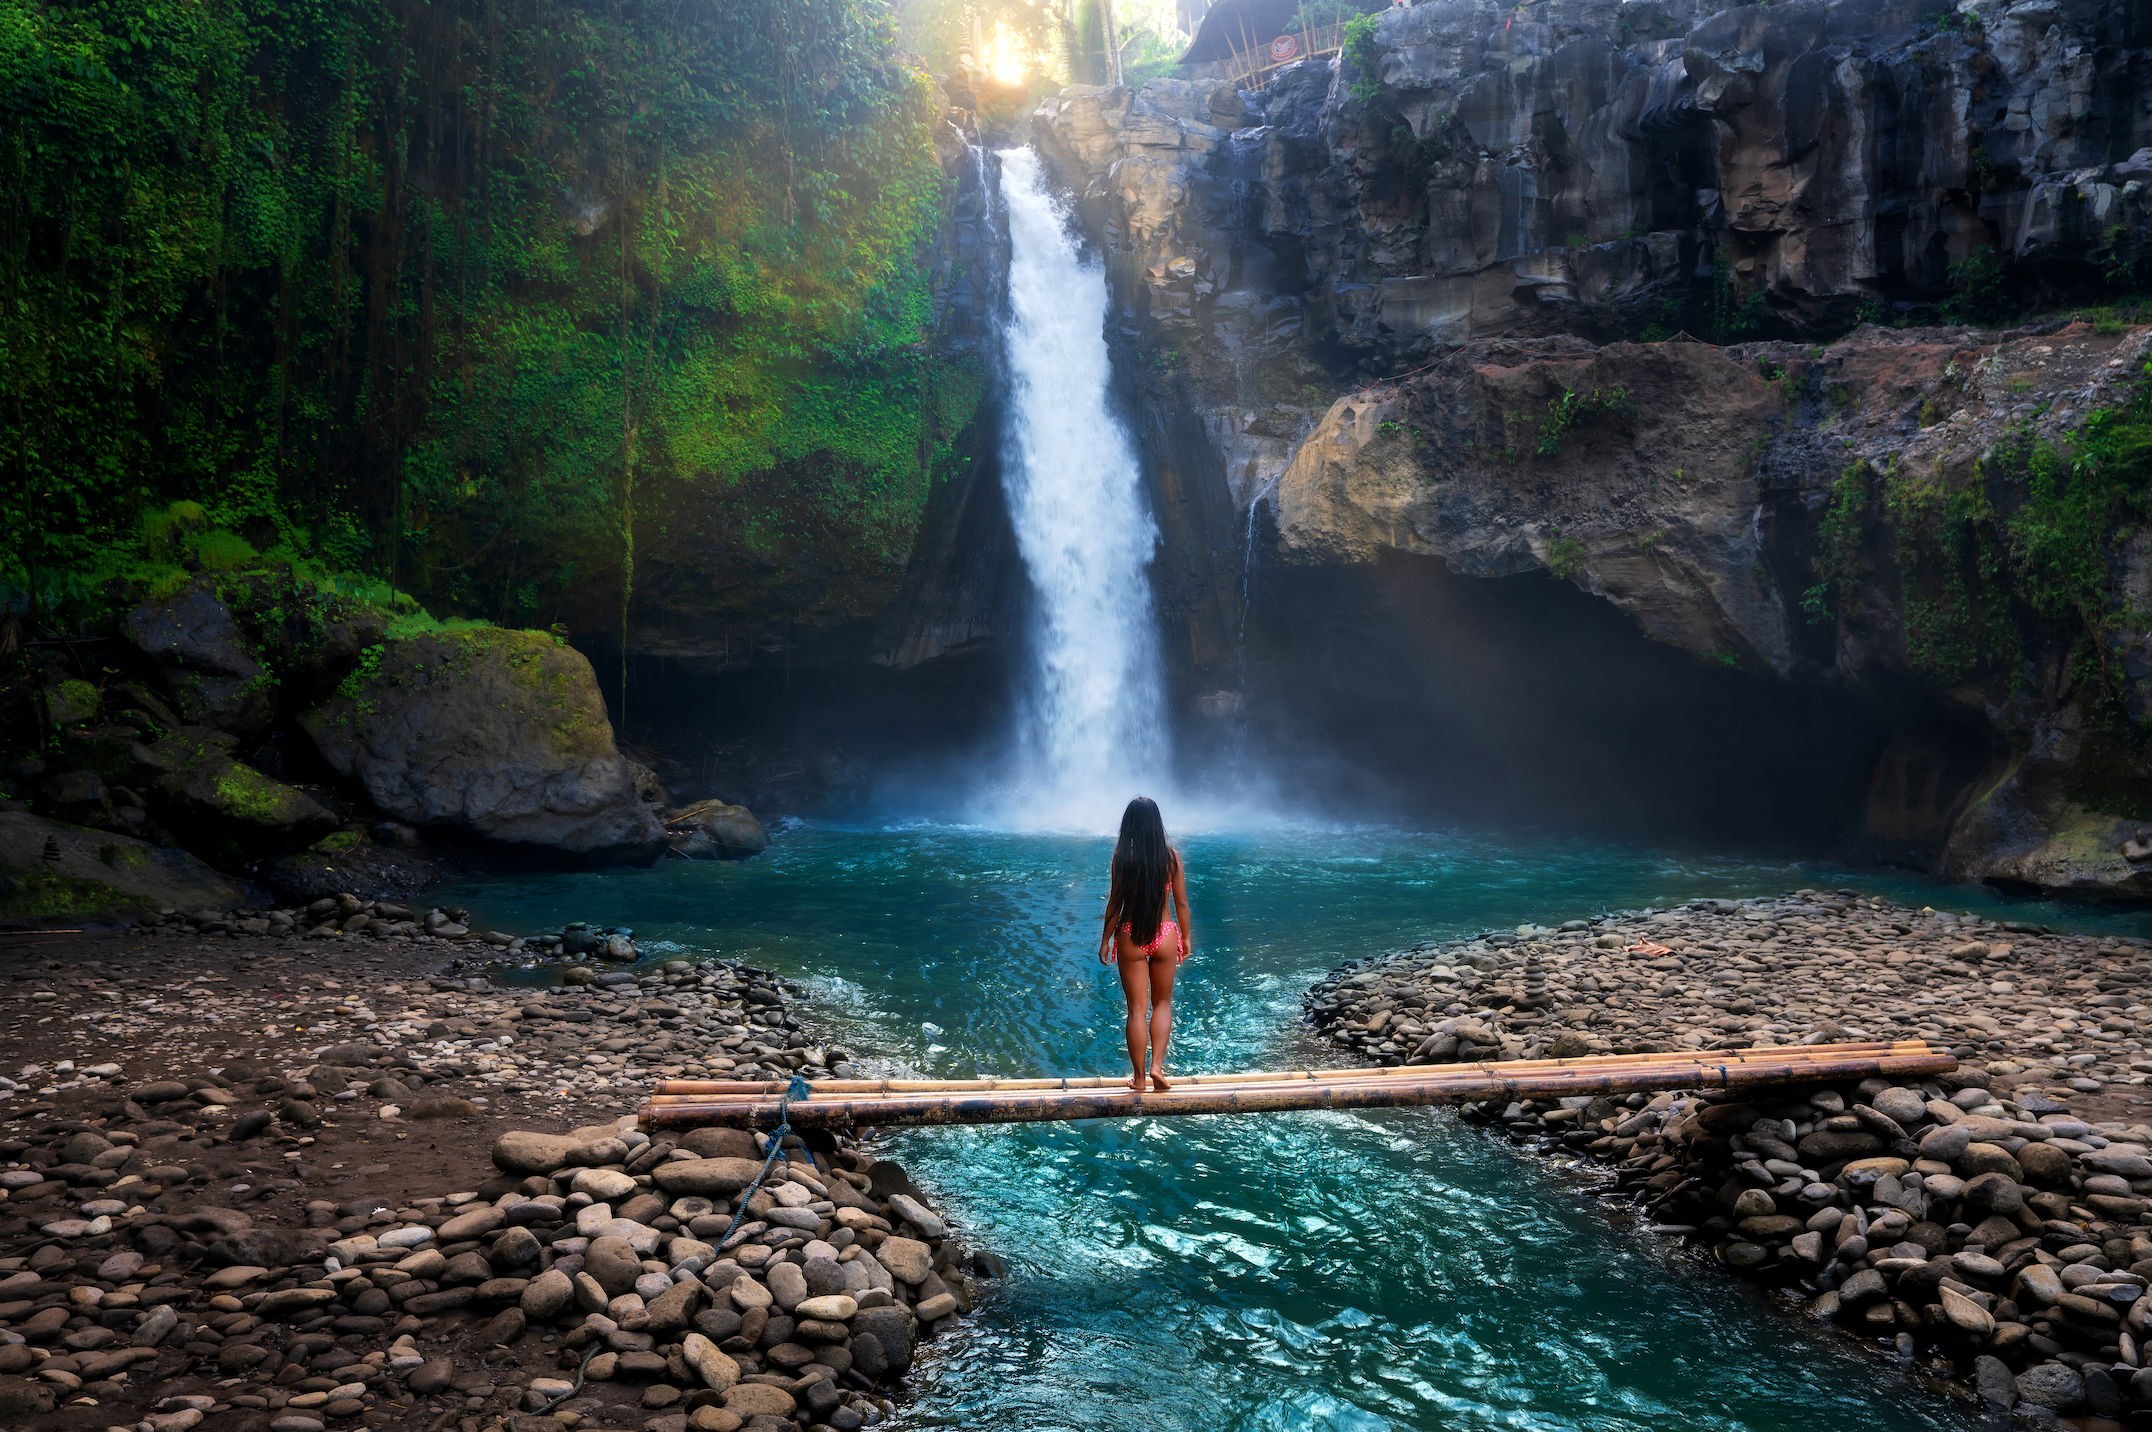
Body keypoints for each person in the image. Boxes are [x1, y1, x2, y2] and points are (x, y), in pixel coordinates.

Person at [1097, 796, 1192, 1092]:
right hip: (1164, 933)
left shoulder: (1122, 858)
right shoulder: (1171, 858)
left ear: (1129, 825)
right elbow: (1181, 903)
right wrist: (1186, 937)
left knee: (1137, 1009)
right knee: (1163, 1003)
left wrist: (1105, 940)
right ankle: (1157, 1067)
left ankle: (1138, 1078)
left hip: (1130, 934)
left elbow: (1115, 903)